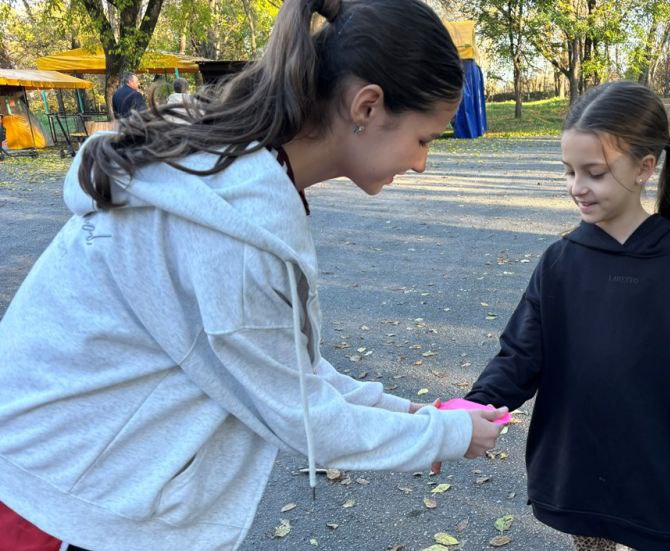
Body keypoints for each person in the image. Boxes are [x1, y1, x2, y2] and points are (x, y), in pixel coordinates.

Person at [0, 1, 507, 550]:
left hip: (67, 486)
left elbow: (280, 365)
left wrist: (414, 415)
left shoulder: (237, 177)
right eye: (424, 139)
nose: (421, 164)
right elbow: (303, 417)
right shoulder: (234, 228)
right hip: (55, 504)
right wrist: (447, 434)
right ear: (367, 106)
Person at [465, 81, 670, 551]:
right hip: (581, 475)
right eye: (569, 172)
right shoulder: (560, 261)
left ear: (645, 168)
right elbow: (521, 354)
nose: (577, 188)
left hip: (663, 482)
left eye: (594, 173)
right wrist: (470, 409)